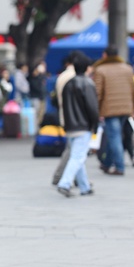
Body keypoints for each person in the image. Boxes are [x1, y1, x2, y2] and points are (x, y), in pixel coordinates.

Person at [56, 53, 99, 197]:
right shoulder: (87, 83)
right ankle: (65, 183)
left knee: (77, 156)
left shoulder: (69, 83)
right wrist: (95, 124)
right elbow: (92, 107)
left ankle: (84, 186)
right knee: (78, 157)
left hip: (70, 126)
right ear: (87, 68)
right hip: (83, 125)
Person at [93, 45, 134, 176]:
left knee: (114, 136)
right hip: (126, 107)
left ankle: (119, 166)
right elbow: (133, 90)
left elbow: (98, 92)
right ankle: (106, 163)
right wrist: (132, 108)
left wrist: (96, 109)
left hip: (110, 109)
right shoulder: (127, 68)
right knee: (115, 136)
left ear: (105, 55)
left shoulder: (100, 69)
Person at [52, 52, 79, 185]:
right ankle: (60, 176)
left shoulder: (62, 76)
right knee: (73, 150)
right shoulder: (73, 76)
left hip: (67, 116)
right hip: (75, 118)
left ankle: (78, 179)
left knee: (74, 149)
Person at [29, 61, 48, 128]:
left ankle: (39, 126)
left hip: (42, 97)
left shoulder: (42, 77)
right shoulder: (32, 78)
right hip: (35, 97)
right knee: (36, 113)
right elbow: (36, 87)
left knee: (42, 113)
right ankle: (35, 127)